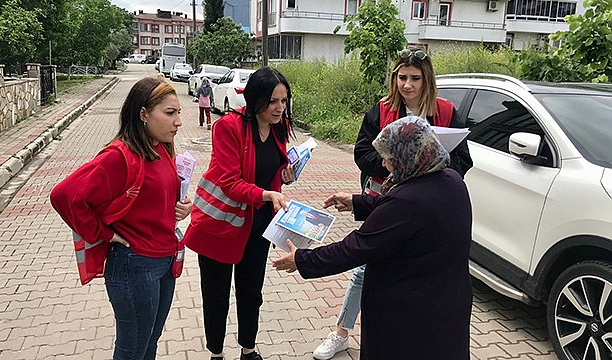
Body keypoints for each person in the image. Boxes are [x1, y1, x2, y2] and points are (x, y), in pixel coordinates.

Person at [312, 48, 474, 360]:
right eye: (402, 77)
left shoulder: (446, 111)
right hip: (386, 198)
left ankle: (349, 332)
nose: (407, 85)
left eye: (415, 78)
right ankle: (342, 332)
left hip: (426, 201)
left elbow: (462, 160)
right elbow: (363, 154)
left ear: (427, 81)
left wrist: (429, 169)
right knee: (366, 268)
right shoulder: (382, 110)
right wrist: (391, 166)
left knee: (391, 269)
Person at [274, 116, 473, 360]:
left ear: (407, 155)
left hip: (408, 318)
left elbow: (355, 247)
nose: (385, 163)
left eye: (389, 156)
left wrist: (302, 259)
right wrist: (357, 202)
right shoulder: (451, 180)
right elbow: (410, 216)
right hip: (449, 306)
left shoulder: (407, 200)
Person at [50, 77, 193, 360]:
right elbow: (64, 195)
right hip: (134, 267)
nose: (178, 122)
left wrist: (180, 207)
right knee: (132, 350)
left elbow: (153, 198)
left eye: (178, 113)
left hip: (165, 262)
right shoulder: (120, 156)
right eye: (169, 113)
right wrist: (103, 234)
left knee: (149, 343)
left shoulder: (161, 147)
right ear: (143, 114)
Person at [182, 66, 296, 360]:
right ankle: (216, 353)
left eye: (284, 101)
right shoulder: (228, 127)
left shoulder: (278, 127)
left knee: (251, 292)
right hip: (221, 224)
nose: (279, 108)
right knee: (216, 295)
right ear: (255, 97)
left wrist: (283, 175)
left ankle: (248, 349)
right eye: (273, 101)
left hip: (258, 225)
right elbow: (230, 183)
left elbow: (269, 169)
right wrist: (266, 194)